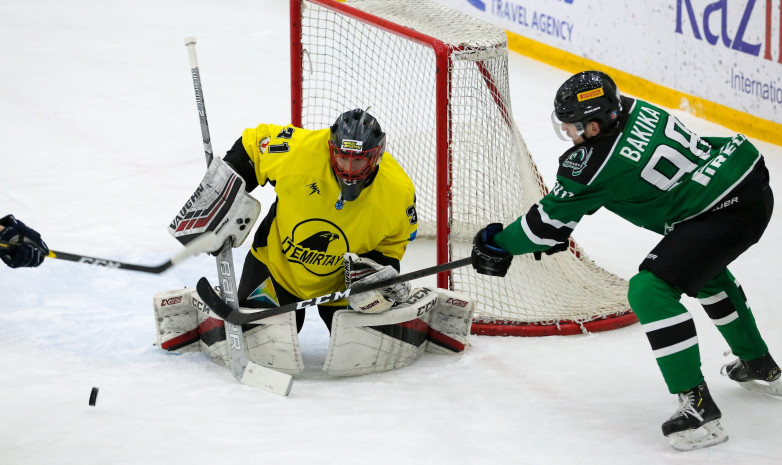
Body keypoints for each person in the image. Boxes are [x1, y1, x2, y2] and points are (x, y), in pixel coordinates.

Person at [471, 70, 780, 451]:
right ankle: (758, 363)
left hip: (721, 213)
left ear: (597, 123)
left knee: (650, 290)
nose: (568, 132)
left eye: (573, 126)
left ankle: (698, 408)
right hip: (745, 183)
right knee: (706, 272)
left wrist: (497, 244)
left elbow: (542, 227)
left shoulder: (593, 163)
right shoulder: (633, 108)